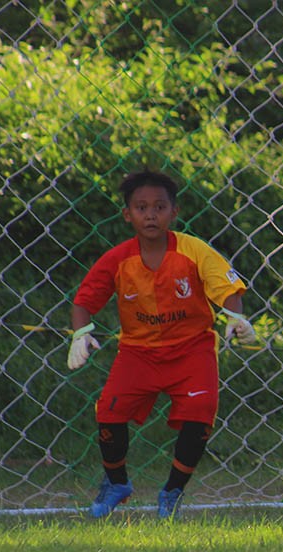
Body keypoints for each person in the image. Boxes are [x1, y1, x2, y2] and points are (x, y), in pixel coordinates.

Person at [67, 169, 255, 519]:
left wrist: (236, 318)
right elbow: (84, 300)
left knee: (201, 412)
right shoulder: (118, 259)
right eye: (141, 207)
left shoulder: (193, 250)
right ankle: (117, 483)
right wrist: (80, 333)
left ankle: (172, 492)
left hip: (191, 350)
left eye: (159, 206)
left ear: (174, 212)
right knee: (109, 409)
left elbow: (227, 288)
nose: (150, 214)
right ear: (128, 214)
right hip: (137, 353)